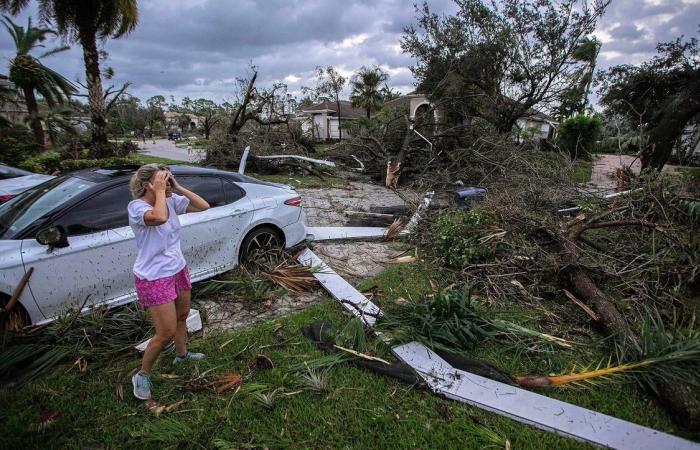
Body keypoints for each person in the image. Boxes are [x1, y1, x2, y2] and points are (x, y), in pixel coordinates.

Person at [127, 164, 210, 400]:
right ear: (147, 185)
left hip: (177, 269)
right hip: (154, 276)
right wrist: (162, 192)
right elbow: (160, 217)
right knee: (165, 332)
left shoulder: (171, 200)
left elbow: (203, 205)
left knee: (183, 316)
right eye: (162, 179)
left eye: (167, 178)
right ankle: (142, 375)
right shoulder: (136, 207)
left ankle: (182, 355)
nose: (167, 182)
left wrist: (177, 186)